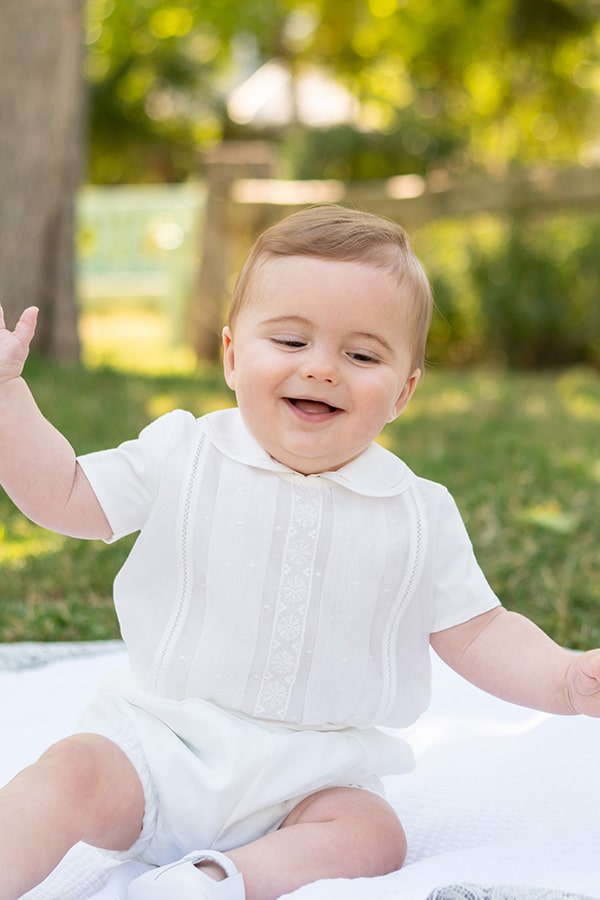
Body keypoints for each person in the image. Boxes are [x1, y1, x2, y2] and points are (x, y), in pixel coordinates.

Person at [0, 205, 599, 900]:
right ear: (231, 356)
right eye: (289, 341)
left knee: (373, 835)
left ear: (404, 390)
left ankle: (212, 883)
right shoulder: (186, 453)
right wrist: (8, 398)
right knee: (70, 772)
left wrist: (563, 678)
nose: (321, 369)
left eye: (362, 355)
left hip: (312, 777)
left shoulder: (417, 511)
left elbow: (480, 629)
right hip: (160, 748)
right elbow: (63, 492)